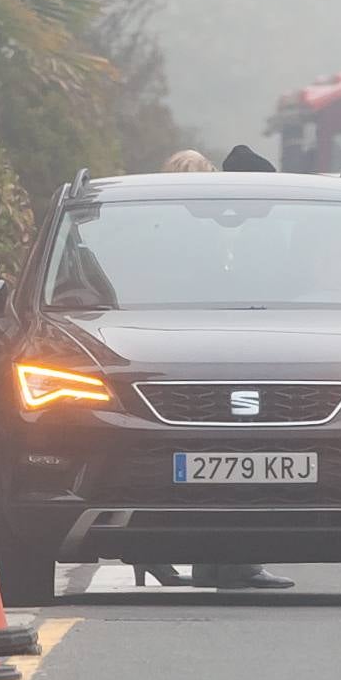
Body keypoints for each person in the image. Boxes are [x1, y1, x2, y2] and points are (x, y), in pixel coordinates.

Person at [132, 149, 294, 590]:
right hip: (207, 359)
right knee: (232, 461)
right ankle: (228, 563)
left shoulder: (145, 229)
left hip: (167, 364)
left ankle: (171, 554)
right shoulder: (196, 239)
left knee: (201, 466)